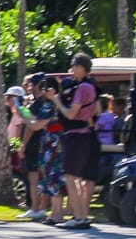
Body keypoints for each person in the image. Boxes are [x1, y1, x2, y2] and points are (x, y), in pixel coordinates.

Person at [55, 54, 100, 229]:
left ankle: (79, 217)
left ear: (82, 67)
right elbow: (95, 111)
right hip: (82, 135)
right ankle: (81, 216)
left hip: (76, 135)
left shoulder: (83, 88)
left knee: (71, 177)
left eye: (74, 65)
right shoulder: (89, 87)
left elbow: (71, 114)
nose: (72, 69)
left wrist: (56, 100)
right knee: (76, 179)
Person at [23, 74, 67, 225]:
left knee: (53, 177)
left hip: (54, 143)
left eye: (45, 89)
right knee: (50, 177)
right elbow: (34, 121)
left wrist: (22, 110)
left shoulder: (51, 105)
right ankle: (55, 212)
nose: (42, 92)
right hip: (50, 142)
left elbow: (35, 125)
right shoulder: (52, 103)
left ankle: (57, 214)